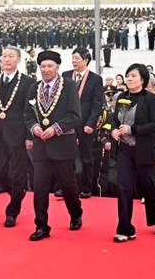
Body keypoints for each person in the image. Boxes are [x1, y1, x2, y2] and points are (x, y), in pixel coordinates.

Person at [22, 50, 83, 242]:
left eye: (50, 66)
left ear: (57, 67)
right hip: (41, 146)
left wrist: (55, 129)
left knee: (68, 185)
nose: (46, 70)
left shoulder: (69, 86)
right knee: (39, 187)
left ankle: (75, 213)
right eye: (43, 66)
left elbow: (75, 115)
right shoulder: (34, 88)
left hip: (63, 145)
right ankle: (41, 225)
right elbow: (27, 115)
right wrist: (34, 128)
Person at [110, 63, 155, 242]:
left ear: (142, 79)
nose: (129, 79)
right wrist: (113, 130)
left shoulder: (151, 99)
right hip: (125, 150)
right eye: (127, 76)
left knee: (148, 186)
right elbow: (114, 120)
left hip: (144, 150)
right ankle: (125, 228)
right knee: (124, 188)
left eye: (133, 76)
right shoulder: (121, 98)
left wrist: (132, 129)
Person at [0, 45, 35, 227]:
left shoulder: (27, 82)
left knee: (18, 172)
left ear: (18, 60)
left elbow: (30, 112)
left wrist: (29, 136)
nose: (5, 59)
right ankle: (17, 192)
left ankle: (12, 211)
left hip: (18, 133)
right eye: (3, 56)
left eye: (10, 56)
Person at [62, 47, 105, 198]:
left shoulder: (95, 79)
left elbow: (97, 104)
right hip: (68, 124)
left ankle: (87, 187)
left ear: (85, 60)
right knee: (65, 157)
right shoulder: (66, 76)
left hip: (85, 124)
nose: (74, 61)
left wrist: (91, 124)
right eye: (72, 58)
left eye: (77, 58)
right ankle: (65, 186)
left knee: (86, 158)